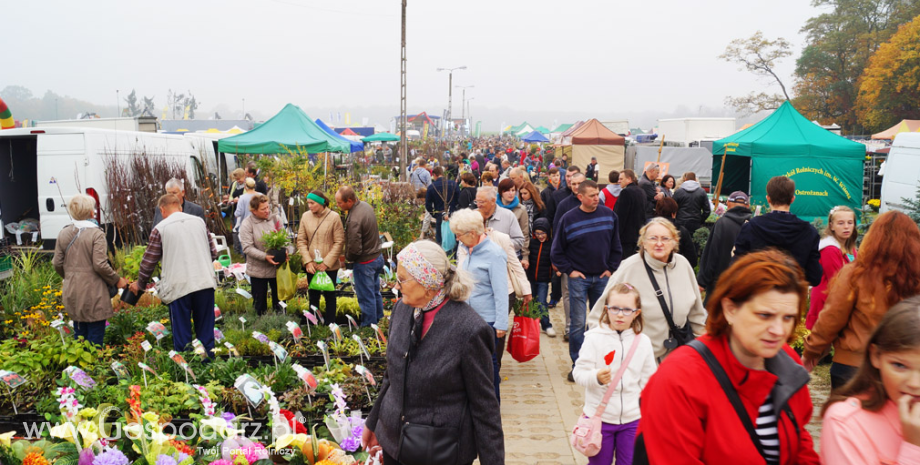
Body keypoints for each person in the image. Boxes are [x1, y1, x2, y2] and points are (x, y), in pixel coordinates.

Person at [633, 250, 820, 465]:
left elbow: (800, 438)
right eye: (764, 315)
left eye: (788, 317)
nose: (778, 330)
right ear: (730, 309)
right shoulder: (680, 378)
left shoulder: (785, 361)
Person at [362, 241, 504, 465]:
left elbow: (485, 407)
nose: (397, 286)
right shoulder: (402, 309)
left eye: (402, 279)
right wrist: (373, 423)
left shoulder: (469, 330)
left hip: (438, 451)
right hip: (392, 443)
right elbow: (392, 375)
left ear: (427, 283)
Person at [803, 211, 920, 388]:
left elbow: (832, 318)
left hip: (852, 366)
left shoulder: (855, 274)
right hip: (903, 370)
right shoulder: (915, 278)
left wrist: (812, 351)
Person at [588, 217, 706, 362]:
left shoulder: (683, 265)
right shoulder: (629, 268)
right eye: (653, 238)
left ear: (674, 242)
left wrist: (704, 352)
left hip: (676, 360)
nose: (659, 243)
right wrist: (607, 355)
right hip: (638, 362)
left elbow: (697, 315)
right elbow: (598, 316)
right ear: (643, 242)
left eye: (665, 238)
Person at [820, 296, 920, 464]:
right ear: (876, 356)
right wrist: (914, 448)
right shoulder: (845, 423)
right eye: (899, 365)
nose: (914, 383)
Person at [573, 283, 657, 465]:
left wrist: (650, 412)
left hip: (632, 419)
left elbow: (650, 381)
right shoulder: (593, 338)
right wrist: (595, 377)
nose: (620, 314)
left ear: (637, 312)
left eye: (627, 310)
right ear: (606, 309)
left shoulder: (643, 342)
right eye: (615, 308)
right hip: (600, 419)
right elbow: (578, 373)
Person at [130, 194, 218, 355]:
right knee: (206, 330)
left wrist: (140, 284)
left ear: (162, 210)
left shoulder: (161, 229)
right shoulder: (199, 222)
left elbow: (148, 262)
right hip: (204, 281)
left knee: (182, 334)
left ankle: (187, 372)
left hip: (178, 286)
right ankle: (209, 367)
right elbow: (213, 253)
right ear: (180, 206)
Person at [552, 180, 623, 379]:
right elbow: (557, 251)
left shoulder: (609, 216)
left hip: (602, 278)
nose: (596, 198)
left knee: (602, 323)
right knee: (578, 323)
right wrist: (570, 271)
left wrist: (610, 269)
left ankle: (601, 363)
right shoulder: (569, 218)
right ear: (580, 197)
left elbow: (616, 246)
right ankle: (578, 364)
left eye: (597, 194)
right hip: (578, 279)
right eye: (592, 195)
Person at [52, 194, 128, 346]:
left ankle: (80, 368)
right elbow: (100, 264)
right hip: (94, 292)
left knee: (79, 335)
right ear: (91, 212)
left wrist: (69, 277)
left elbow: (57, 263)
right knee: (95, 339)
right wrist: (117, 280)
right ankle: (94, 368)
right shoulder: (96, 234)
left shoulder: (64, 232)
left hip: (72, 290)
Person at [452, 209, 510, 401]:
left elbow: (501, 290)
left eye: (459, 235)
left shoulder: (494, 254)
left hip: (487, 320)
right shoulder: (467, 249)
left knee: (488, 364)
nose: (458, 239)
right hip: (467, 316)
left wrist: (501, 323)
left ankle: (493, 403)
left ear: (473, 233)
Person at [733, 176, 822, 286]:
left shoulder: (751, 227)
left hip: (758, 294)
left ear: (768, 198)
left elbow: (736, 269)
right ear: (792, 199)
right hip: (790, 296)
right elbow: (815, 277)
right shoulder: (809, 232)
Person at [336, 186, 384, 326]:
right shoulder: (365, 206)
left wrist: (347, 259)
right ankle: (379, 320)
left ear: (349, 201)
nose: (338, 206)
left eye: (340, 203)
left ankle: (368, 327)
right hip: (376, 257)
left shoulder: (354, 220)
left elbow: (355, 248)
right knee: (375, 292)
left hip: (365, 262)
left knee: (366, 297)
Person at [805, 205, 858, 329]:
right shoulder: (829, 249)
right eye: (840, 223)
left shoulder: (851, 249)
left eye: (850, 223)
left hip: (840, 303)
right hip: (826, 304)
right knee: (822, 345)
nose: (846, 227)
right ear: (831, 226)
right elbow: (837, 281)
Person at [296, 190, 344, 325]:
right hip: (311, 266)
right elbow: (301, 241)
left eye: (312, 203)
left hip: (329, 266)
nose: (309, 206)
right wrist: (308, 261)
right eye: (308, 203)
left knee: (330, 295)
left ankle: (330, 324)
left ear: (322, 203)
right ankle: (313, 323)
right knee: (313, 294)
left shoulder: (334, 217)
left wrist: (326, 263)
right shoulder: (305, 217)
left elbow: (339, 241)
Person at [696, 191, 752, 303]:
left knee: (712, 317)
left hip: (719, 283)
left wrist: (702, 281)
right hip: (743, 284)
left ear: (728, 204)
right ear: (747, 206)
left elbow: (711, 254)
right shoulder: (752, 226)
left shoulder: (722, 223)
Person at [240, 194, 285, 316]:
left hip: (277, 269)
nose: (267, 211)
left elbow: (284, 240)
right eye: (263, 209)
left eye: (267, 207)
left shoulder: (276, 219)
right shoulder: (247, 224)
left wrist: (286, 251)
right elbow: (247, 247)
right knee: (259, 306)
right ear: (254, 211)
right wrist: (265, 256)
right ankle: (261, 328)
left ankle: (281, 327)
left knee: (280, 303)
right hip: (258, 271)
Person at [526, 218, 556, 337]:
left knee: (542, 302)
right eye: (537, 233)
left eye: (542, 233)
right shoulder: (531, 243)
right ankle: (532, 325)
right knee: (531, 302)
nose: (540, 236)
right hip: (531, 278)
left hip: (543, 279)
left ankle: (547, 325)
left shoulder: (552, 243)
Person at [474, 187, 524, 253]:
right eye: (476, 201)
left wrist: (497, 244)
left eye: (482, 202)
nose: (478, 205)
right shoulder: (472, 216)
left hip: (502, 261)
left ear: (493, 201)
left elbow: (519, 241)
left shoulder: (508, 215)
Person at [653, 197, 697, 268]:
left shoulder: (650, 230)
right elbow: (692, 258)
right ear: (674, 213)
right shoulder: (681, 231)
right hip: (675, 269)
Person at [613, 170, 647, 259]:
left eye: (621, 179)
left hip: (626, 236)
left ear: (629, 179)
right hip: (637, 234)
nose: (619, 181)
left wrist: (616, 236)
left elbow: (621, 216)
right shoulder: (641, 191)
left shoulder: (626, 192)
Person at [425, 166, 459, 245]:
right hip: (453, 215)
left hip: (440, 215)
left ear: (434, 175)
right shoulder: (453, 184)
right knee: (454, 239)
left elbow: (428, 205)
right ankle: (453, 255)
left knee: (440, 240)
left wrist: (435, 214)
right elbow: (458, 200)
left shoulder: (431, 187)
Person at [497, 179, 530, 261]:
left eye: (513, 190)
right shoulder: (494, 208)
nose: (511, 193)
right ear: (501, 192)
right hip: (496, 251)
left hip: (514, 252)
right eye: (507, 190)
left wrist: (525, 256)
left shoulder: (521, 209)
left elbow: (525, 233)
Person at [233, 178, 257, 255]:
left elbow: (238, 213)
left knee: (247, 247)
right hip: (259, 224)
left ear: (245, 187)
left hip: (246, 225)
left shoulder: (242, 198)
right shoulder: (261, 195)